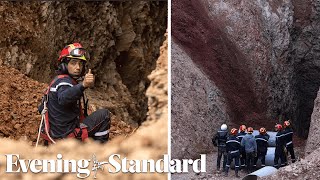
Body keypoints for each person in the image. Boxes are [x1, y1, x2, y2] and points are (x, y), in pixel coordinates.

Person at [38, 42, 111, 144]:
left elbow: (41, 108)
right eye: (73, 63)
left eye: (80, 63)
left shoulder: (57, 81)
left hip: (55, 136)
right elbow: (64, 98)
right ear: (64, 65)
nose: (78, 67)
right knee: (104, 115)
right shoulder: (64, 82)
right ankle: (98, 151)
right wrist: (83, 85)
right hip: (67, 137)